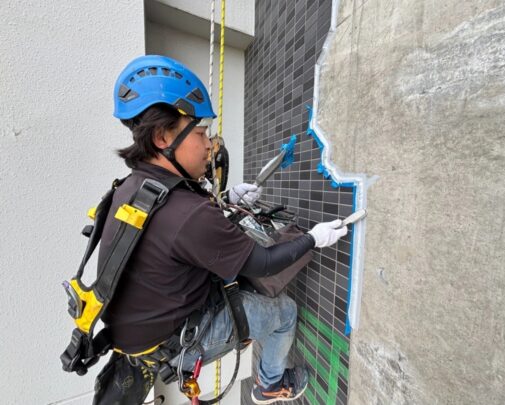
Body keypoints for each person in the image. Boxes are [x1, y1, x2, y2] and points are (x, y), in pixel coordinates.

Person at [94, 55, 348, 405]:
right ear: (162, 137)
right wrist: (313, 239)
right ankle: (269, 385)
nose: (209, 145)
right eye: (200, 133)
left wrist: (227, 199)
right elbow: (263, 263)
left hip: (142, 336)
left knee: (244, 286)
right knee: (284, 312)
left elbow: (173, 235)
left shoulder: (132, 187)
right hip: (177, 342)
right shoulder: (185, 213)